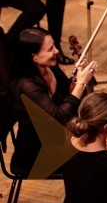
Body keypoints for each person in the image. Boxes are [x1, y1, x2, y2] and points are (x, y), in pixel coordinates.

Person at [9, 28, 96, 175]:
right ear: (34, 57)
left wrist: (77, 80)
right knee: (98, 162)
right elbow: (59, 120)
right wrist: (80, 85)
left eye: (54, 46)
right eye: (50, 49)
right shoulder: (27, 86)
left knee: (101, 152)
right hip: (38, 154)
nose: (56, 51)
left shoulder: (50, 67)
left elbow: (66, 94)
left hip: (58, 141)